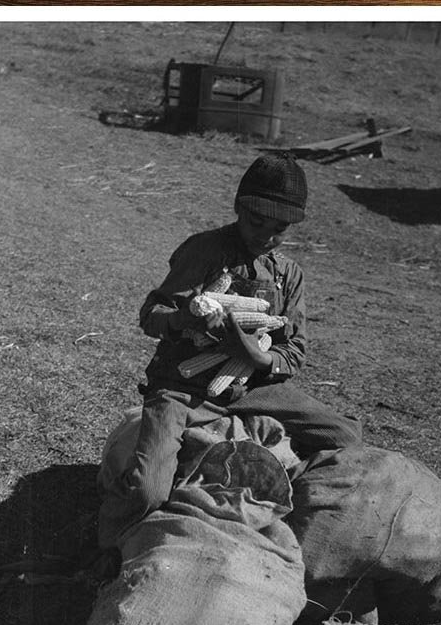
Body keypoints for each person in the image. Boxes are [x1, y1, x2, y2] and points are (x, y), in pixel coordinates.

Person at [100, 152, 361, 545]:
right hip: (182, 385)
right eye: (257, 222)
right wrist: (187, 316)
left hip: (251, 386)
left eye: (280, 229)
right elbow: (152, 314)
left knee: (344, 436)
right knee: (149, 491)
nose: (266, 237)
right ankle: (106, 545)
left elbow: (295, 351)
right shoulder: (204, 251)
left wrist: (255, 355)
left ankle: (287, 504)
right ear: (239, 207)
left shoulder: (288, 274)